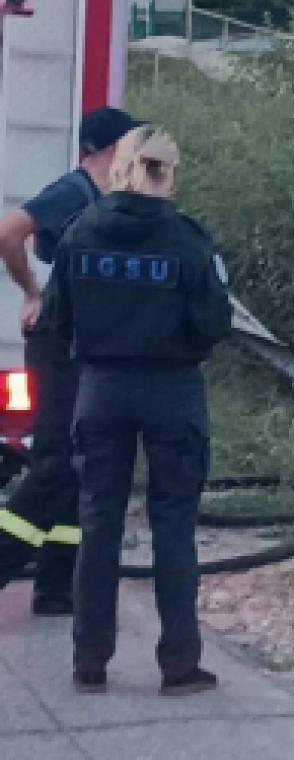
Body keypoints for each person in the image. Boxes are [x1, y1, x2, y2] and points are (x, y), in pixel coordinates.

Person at [47, 126, 232, 695]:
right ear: (167, 171)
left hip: (101, 389)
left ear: (122, 167)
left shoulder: (81, 231)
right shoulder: (188, 240)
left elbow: (57, 320)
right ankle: (178, 666)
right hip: (172, 393)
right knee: (173, 525)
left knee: (99, 521)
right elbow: (213, 323)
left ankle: (89, 662)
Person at [0, 107, 141, 615]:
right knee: (56, 464)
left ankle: (57, 587)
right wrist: (31, 294)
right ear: (106, 148)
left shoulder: (109, 199)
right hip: (58, 342)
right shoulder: (73, 190)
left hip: (86, 346)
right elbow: (8, 232)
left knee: (79, 466)